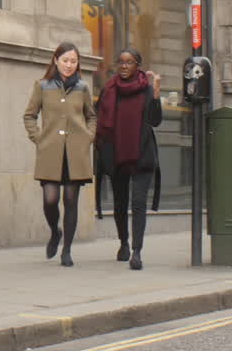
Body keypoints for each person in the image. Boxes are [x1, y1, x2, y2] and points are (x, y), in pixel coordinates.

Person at [23, 41, 97, 267]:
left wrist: (88, 137)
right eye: (65, 60)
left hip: (76, 152)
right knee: (50, 199)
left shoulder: (82, 88)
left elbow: (91, 116)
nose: (69, 65)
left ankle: (67, 250)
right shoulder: (42, 86)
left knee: (71, 199)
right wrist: (39, 138)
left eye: (73, 61)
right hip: (50, 152)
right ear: (56, 60)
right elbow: (29, 115)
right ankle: (56, 231)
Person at [96, 47, 161, 271]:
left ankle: (137, 251)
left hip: (141, 154)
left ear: (137, 66)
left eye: (129, 62)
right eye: (121, 62)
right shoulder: (109, 89)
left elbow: (155, 120)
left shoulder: (146, 90)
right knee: (120, 203)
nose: (124, 66)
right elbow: (99, 119)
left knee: (138, 203)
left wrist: (156, 95)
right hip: (117, 153)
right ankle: (123, 243)